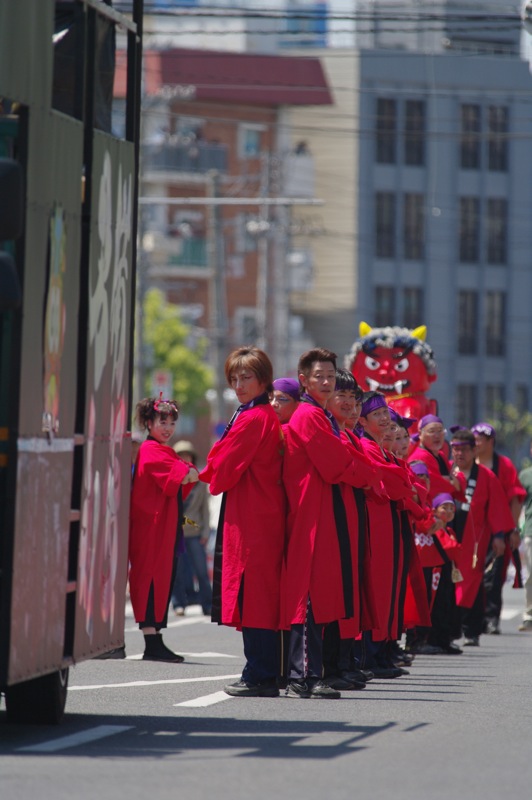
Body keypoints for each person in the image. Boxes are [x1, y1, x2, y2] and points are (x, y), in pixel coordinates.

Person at [282, 349, 382, 698]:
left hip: (322, 512)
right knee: (309, 597)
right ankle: (304, 676)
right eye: (319, 375)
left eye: (330, 374)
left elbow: (342, 460)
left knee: (321, 595)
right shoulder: (309, 416)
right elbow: (334, 464)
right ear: (304, 380)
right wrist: (365, 474)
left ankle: (313, 673)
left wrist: (361, 471)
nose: (325, 381)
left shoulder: (321, 415)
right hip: (311, 513)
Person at [200, 346, 286, 698]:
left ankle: (260, 672)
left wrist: (207, 468)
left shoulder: (254, 417)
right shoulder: (257, 413)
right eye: (234, 378)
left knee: (255, 594)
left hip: (255, 515)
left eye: (246, 377)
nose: (238, 384)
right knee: (258, 593)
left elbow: (222, 467)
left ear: (263, 379)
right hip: (259, 511)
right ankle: (264, 670)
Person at [129, 397, 199, 663]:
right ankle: (151, 641)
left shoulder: (159, 449)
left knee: (161, 579)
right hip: (151, 527)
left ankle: (155, 639)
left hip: (160, 526)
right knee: (150, 579)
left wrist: (188, 470)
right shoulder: (152, 450)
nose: (168, 428)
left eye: (172, 422)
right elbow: (185, 475)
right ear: (149, 423)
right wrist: (188, 469)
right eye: (162, 422)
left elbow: (188, 473)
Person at [449, 429, 515, 646]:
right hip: (447, 538)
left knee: (473, 585)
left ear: (474, 450)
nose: (460, 454)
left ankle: (471, 631)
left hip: (474, 541)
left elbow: (496, 507)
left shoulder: (486, 476)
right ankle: (448, 630)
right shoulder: (447, 472)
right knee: (447, 586)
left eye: (465, 449)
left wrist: (498, 536)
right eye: (456, 449)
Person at [471, 422, 525, 635]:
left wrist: (512, 529)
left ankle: (492, 618)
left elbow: (515, 499)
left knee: (494, 575)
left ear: (491, 442)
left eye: (480, 440)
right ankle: (473, 620)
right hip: (472, 529)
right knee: (472, 576)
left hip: (497, 529)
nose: (475, 443)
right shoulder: (466, 461)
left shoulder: (503, 465)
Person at [170, 440, 213, 618]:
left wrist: (205, 533)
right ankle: (178, 603)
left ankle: (208, 605)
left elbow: (205, 509)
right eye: (180, 455)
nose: (184, 458)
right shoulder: (171, 479)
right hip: (176, 532)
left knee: (201, 571)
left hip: (195, 533)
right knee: (177, 572)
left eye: (187, 455)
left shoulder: (200, 482)